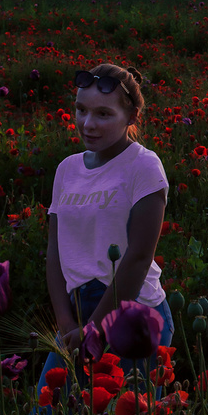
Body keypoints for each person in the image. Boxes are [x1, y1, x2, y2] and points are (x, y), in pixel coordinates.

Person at [39, 63, 173, 397]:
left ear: (131, 118)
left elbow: (139, 258)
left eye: (103, 114)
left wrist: (95, 327)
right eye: (81, 110)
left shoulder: (143, 166)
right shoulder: (67, 169)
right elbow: (54, 253)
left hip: (132, 315)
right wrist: (66, 324)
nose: (87, 124)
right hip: (76, 312)